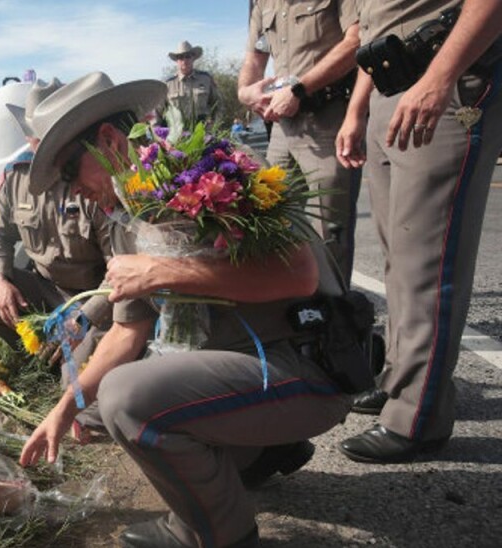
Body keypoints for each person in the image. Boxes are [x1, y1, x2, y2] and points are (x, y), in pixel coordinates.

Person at [18, 72, 351, 548]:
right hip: (249, 369)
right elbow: (126, 334)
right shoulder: (129, 216)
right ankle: (259, 453)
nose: (73, 193)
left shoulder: (215, 169)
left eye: (71, 174)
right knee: (97, 410)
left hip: (310, 364)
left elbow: (298, 277)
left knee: (127, 399)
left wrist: (160, 273)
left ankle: (217, 534)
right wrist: (62, 409)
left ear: (110, 140)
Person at [334, 0, 502, 463]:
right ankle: (399, 382)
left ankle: (418, 419)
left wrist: (438, 79)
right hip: (388, 87)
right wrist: (357, 109)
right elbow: (376, 30)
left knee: (429, 258)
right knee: (399, 259)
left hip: (445, 83)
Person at [0, 78, 114, 395]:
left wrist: (84, 320)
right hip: (45, 289)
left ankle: (72, 355)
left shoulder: (95, 176)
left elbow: (118, 270)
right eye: (35, 136)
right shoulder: (16, 176)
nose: (40, 146)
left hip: (93, 298)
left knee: (74, 391)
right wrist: (1, 281)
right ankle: (41, 354)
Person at [238, 0, 362, 285]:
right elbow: (253, 59)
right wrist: (245, 92)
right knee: (270, 219)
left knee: (329, 229)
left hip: (328, 119)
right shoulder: (263, 3)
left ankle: (335, 315)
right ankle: (290, 309)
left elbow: (356, 40)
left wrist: (299, 88)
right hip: (282, 128)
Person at [165, 40, 221, 124]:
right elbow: (157, 113)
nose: (184, 60)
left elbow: (218, 105)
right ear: (177, 61)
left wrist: (214, 125)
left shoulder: (206, 79)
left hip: (203, 131)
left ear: (193, 58)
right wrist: (159, 135)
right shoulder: (168, 84)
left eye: (187, 56)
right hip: (178, 132)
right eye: (180, 57)